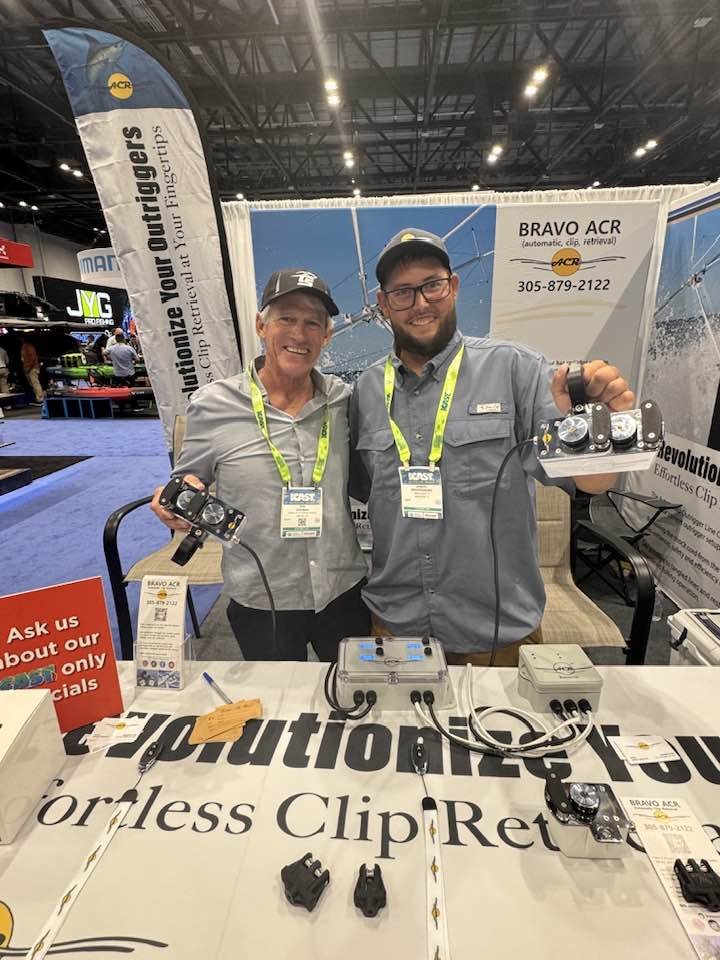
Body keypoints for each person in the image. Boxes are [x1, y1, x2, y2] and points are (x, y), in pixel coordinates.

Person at [350, 228, 636, 666]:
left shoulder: (517, 369)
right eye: (403, 292)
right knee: (402, 738)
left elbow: (593, 482)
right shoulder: (365, 391)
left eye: (432, 285)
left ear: (454, 286)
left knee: (504, 734)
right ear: (384, 304)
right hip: (396, 623)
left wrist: (603, 424)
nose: (421, 303)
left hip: (496, 631)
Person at [151, 268, 370, 662]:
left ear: (326, 336)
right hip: (261, 595)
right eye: (286, 318)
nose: (299, 335)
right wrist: (177, 500)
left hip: (341, 588)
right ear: (261, 326)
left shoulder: (346, 400)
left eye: (311, 323)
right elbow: (189, 478)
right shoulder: (214, 405)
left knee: (354, 701)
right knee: (280, 708)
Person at [20, 336, 44, 405]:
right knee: (33, 384)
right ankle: (38, 397)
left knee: (35, 383)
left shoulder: (28, 347)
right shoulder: (26, 346)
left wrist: (28, 368)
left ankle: (40, 398)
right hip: (29, 367)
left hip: (32, 368)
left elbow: (32, 358)